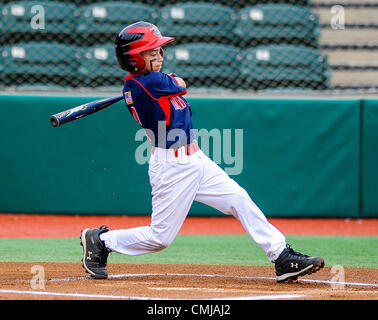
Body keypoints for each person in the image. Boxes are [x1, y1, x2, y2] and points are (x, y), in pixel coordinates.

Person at [80, 21, 324, 283]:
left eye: (160, 51)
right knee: (160, 238)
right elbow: (180, 83)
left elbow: (174, 86)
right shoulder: (144, 84)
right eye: (152, 53)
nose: (160, 56)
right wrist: (159, 81)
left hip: (195, 159)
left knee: (239, 199)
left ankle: (281, 257)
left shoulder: (146, 84)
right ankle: (101, 241)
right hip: (172, 167)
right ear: (135, 60)